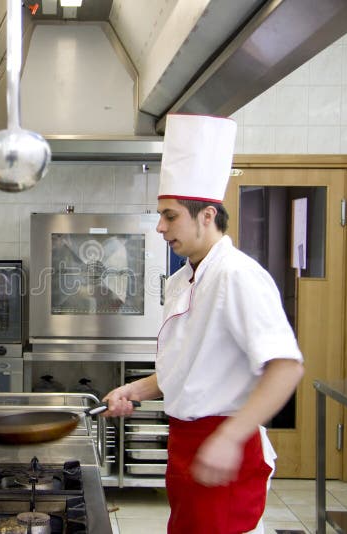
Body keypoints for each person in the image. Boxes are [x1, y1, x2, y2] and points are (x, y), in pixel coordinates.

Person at [102, 114, 304, 534]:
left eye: (170, 216)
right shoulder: (182, 279)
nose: (160, 227)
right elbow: (192, 365)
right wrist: (134, 389)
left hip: (223, 452)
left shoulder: (237, 275)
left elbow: (286, 367)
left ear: (207, 215)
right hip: (186, 447)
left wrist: (231, 437)